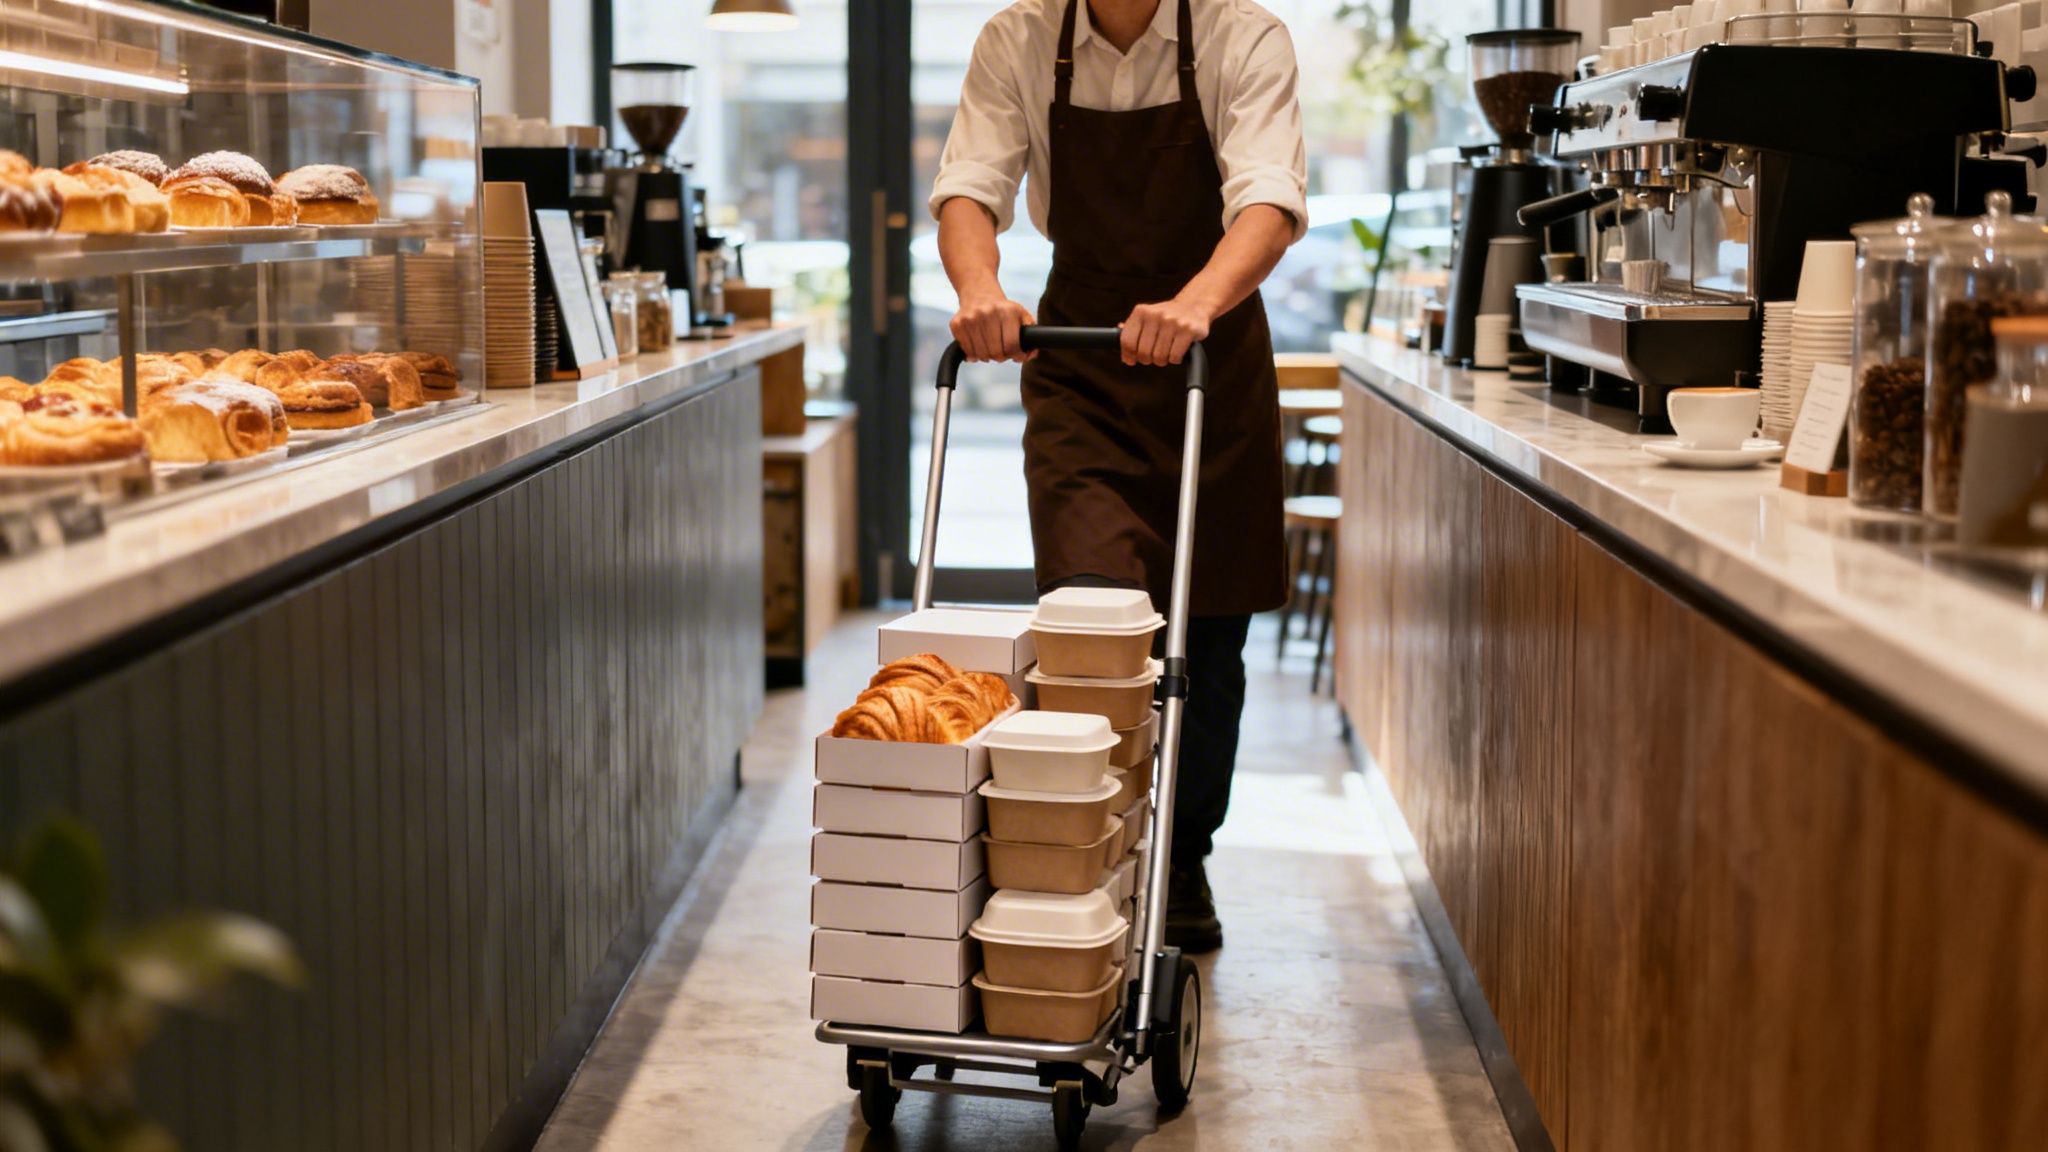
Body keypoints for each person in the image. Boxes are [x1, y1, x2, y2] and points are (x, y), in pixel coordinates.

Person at [931, 0, 1305, 953]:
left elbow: (1267, 197)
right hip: (1085, 367)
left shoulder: (1241, 34)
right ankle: (1086, 848)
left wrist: (1194, 303)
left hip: (1206, 362)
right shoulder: (1017, 38)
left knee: (1207, 640)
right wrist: (980, 291)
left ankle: (1181, 857)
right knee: (1091, 628)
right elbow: (970, 186)